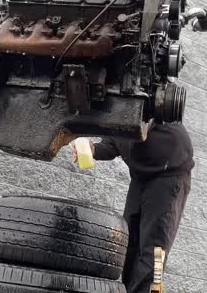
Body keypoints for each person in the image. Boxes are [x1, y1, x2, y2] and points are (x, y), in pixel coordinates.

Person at [73, 121, 194, 293]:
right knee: (129, 242)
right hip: (142, 177)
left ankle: (150, 290)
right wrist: (93, 150)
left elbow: (147, 120)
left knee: (155, 247)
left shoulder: (142, 101)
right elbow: (112, 144)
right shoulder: (114, 113)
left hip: (170, 173)